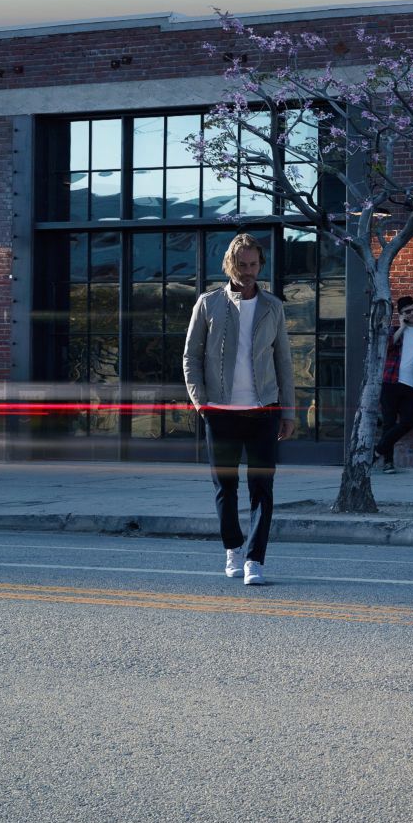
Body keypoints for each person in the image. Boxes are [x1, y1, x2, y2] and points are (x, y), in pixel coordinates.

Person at [182, 233, 296, 586]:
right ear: (230, 265)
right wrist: (201, 401)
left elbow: (285, 362)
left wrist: (288, 411)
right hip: (221, 411)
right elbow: (191, 357)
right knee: (225, 487)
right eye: (241, 264)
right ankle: (232, 547)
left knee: (262, 488)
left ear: (260, 265)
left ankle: (255, 560)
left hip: (264, 410)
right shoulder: (208, 303)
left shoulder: (273, 306)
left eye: (253, 264)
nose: (248, 271)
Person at [374, 295, 413, 473]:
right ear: (401, 315)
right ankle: (388, 463)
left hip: (412, 386)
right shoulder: (394, 331)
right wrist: (401, 327)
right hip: (391, 383)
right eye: (408, 312)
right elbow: (386, 348)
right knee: (389, 423)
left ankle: (378, 450)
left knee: (409, 422)